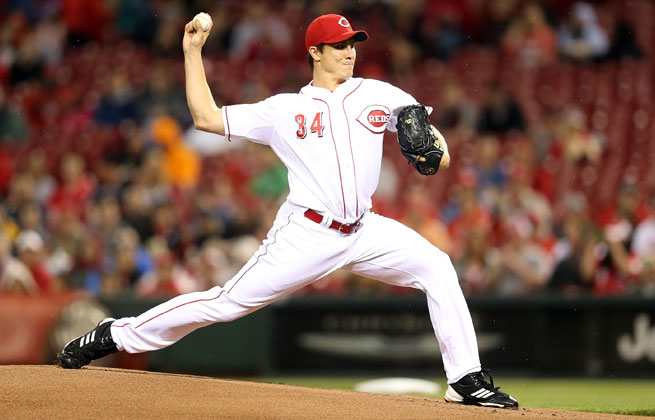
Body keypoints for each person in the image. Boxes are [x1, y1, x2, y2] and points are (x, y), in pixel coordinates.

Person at [57, 12, 518, 409]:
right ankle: (117, 333)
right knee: (225, 303)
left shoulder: (380, 93)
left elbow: (433, 143)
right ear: (315, 52)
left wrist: (435, 151)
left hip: (364, 230)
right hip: (307, 234)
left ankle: (465, 380)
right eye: (339, 45)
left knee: (437, 266)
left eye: (353, 44)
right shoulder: (284, 110)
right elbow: (206, 118)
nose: (350, 52)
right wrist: (192, 52)